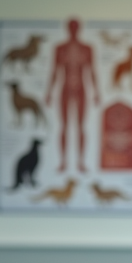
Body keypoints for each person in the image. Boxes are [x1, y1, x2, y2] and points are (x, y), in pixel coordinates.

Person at [45, 17, 98, 173]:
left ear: (79, 29)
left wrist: (96, 92)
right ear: (67, 29)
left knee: (81, 127)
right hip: (65, 89)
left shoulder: (87, 48)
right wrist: (49, 92)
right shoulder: (60, 48)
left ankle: (81, 162)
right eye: (71, 27)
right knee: (64, 126)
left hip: (81, 89)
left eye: (76, 27)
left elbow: (92, 71)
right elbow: (54, 71)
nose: (73, 30)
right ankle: (63, 162)